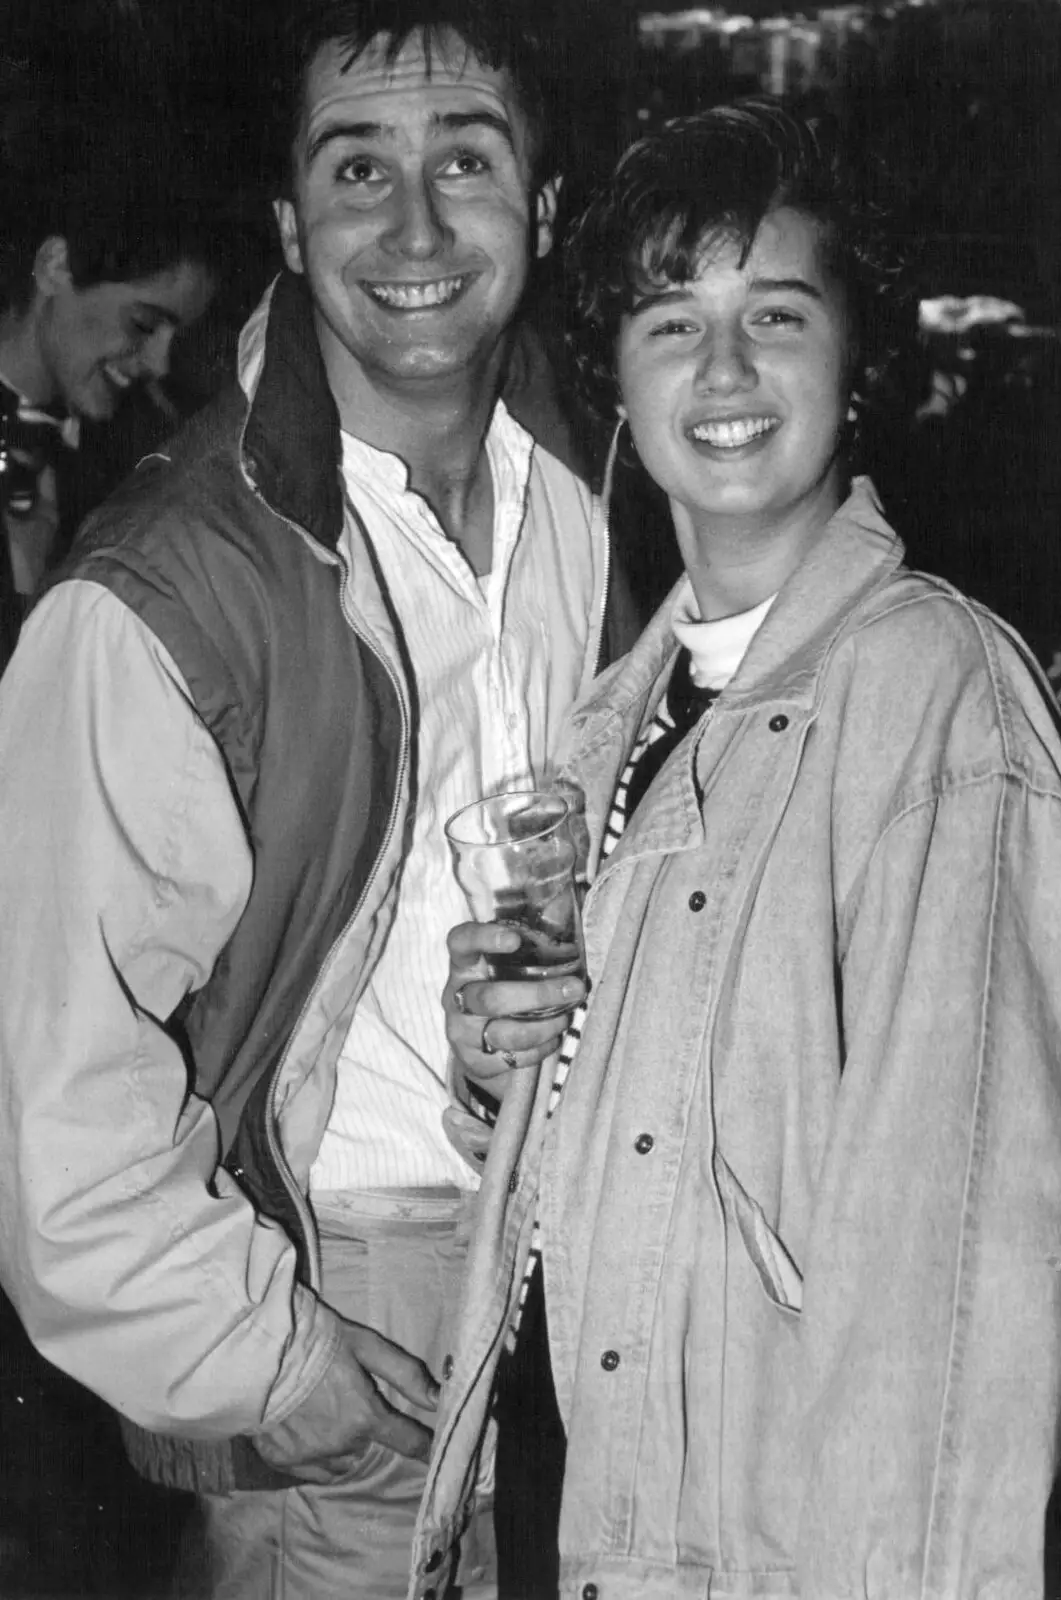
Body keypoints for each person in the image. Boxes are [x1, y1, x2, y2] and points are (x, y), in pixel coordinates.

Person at [0, 2, 637, 1597]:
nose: (415, 224)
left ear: (543, 209)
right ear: (293, 220)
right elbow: (50, 1097)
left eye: (467, 162)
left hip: (589, 1295)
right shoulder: (159, 596)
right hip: (352, 1309)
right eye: (361, 167)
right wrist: (282, 1375)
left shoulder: (595, 493)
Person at [424, 102, 1061, 1599]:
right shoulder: (616, 720)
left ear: (854, 365)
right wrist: (504, 1064)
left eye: (775, 315)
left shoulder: (941, 702)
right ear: (620, 375)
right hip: (575, 1522)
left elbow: (974, 1284)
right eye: (674, 321)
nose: (723, 373)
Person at [0, 112, 217, 671]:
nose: (159, 362)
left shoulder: (136, 461)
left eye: (175, 337)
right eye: (143, 325)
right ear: (55, 266)